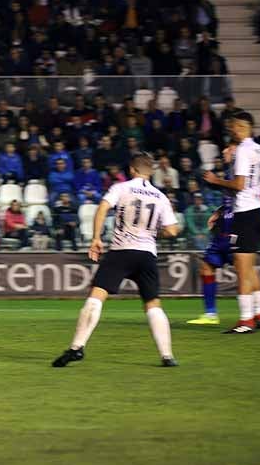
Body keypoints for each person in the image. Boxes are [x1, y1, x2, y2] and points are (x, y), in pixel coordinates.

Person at [53, 153, 181, 369]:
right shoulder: (160, 196)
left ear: (131, 169)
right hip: (147, 254)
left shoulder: (121, 188)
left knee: (97, 296)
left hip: (121, 251)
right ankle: (167, 356)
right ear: (151, 171)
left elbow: (102, 207)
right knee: (153, 304)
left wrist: (95, 238)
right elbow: (172, 230)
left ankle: (76, 347)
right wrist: (151, 233)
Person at [202, 111, 260, 334]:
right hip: (258, 211)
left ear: (242, 127)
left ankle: (246, 320)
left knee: (242, 269)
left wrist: (216, 180)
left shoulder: (243, 150)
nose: (230, 130)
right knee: (249, 267)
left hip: (244, 213)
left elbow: (239, 184)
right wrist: (255, 190)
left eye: (233, 127)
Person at [187, 144, 237, 326]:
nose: (223, 151)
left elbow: (243, 191)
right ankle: (210, 314)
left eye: (227, 149)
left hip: (237, 229)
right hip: (223, 228)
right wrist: (219, 211)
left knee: (244, 272)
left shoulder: (243, 167)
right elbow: (232, 197)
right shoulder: (229, 170)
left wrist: (216, 181)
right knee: (206, 267)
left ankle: (258, 313)